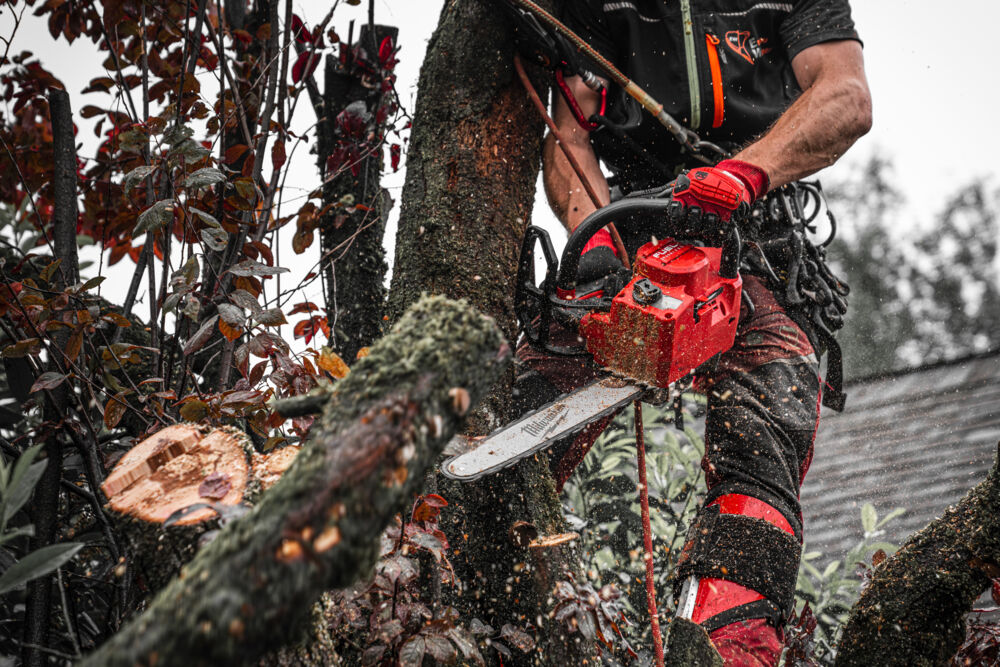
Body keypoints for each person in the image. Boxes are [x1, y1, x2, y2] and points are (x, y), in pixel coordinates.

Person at [524, 1, 872, 664]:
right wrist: (595, 241)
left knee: (773, 405)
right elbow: (567, 133)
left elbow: (846, 96)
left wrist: (743, 173)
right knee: (520, 401)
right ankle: (473, 569)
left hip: (752, 234)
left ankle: (731, 640)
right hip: (633, 233)